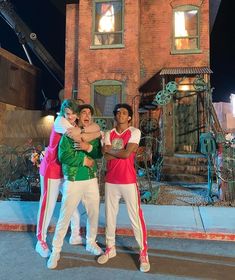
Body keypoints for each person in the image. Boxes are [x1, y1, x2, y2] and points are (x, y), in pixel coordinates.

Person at [36, 99, 100, 258]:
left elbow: (90, 130)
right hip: (51, 168)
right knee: (48, 205)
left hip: (64, 170)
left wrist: (96, 132)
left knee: (69, 203)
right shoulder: (60, 122)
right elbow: (80, 137)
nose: (70, 117)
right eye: (68, 114)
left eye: (73, 114)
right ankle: (40, 241)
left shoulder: (74, 124)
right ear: (63, 113)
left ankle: (75, 235)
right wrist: (99, 134)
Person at [97, 103, 150, 273]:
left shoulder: (134, 132)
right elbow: (105, 157)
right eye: (118, 112)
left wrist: (111, 149)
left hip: (128, 180)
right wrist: (115, 151)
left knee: (135, 216)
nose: (121, 115)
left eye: (124, 112)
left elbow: (127, 154)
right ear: (115, 115)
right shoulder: (108, 133)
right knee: (110, 216)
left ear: (129, 117)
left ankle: (143, 253)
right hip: (111, 180)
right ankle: (110, 248)